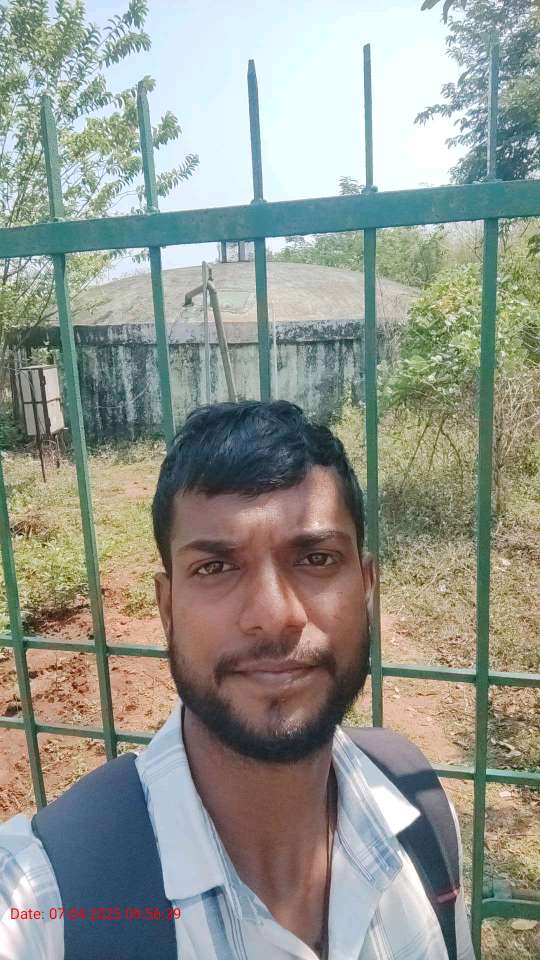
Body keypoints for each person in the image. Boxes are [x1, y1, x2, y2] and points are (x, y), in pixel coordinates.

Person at [0, 400, 475, 959]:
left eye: (317, 559)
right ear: (167, 607)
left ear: (366, 587)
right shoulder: (42, 902)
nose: (273, 615)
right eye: (215, 567)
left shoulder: (421, 820)